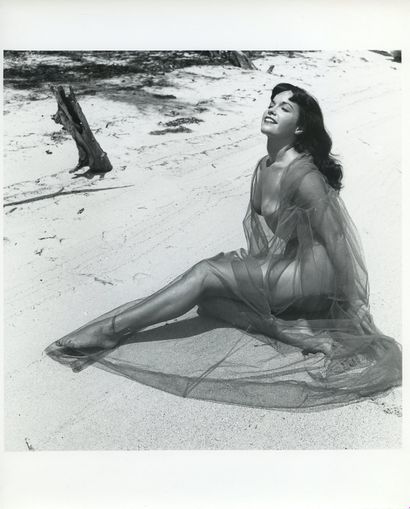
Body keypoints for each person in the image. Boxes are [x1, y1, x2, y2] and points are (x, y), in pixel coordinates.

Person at [46, 83, 402, 410]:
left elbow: (337, 238)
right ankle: (287, 330)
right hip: (293, 267)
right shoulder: (264, 166)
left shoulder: (304, 175)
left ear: (298, 128)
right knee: (210, 304)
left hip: (315, 277)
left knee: (205, 274)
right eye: (272, 103)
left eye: (286, 108)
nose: (273, 109)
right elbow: (267, 238)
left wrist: (353, 304)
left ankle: (112, 330)